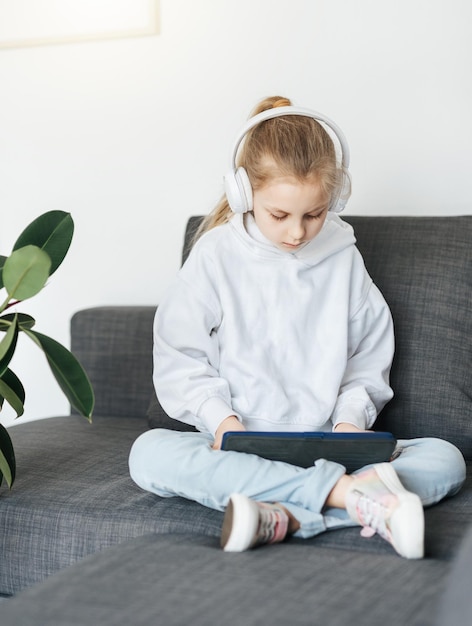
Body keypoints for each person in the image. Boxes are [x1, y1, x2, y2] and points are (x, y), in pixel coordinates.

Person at [129, 96, 466, 559]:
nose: (297, 233)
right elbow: (179, 355)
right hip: (235, 446)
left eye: (314, 214)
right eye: (279, 215)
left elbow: (367, 359)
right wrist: (223, 424)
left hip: (328, 443)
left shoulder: (343, 256)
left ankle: (284, 515)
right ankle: (354, 498)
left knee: (444, 458)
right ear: (245, 195)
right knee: (148, 453)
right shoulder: (215, 255)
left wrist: (350, 425)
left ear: (335, 198)